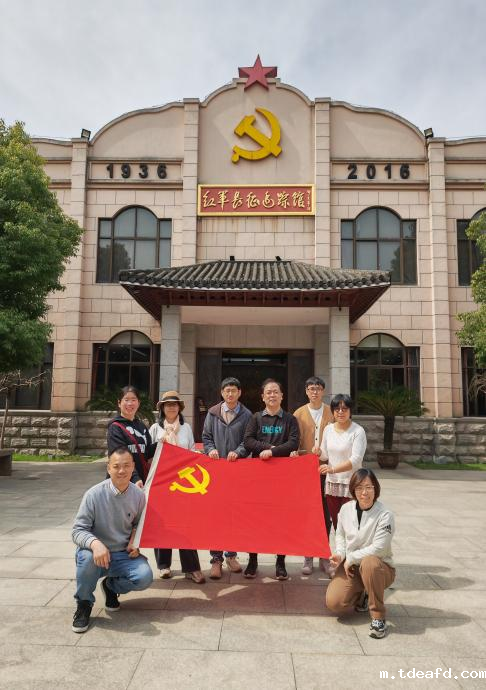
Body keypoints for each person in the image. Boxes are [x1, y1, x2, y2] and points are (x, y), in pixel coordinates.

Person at [71, 447, 153, 633]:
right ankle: (84, 604)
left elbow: (138, 524)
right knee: (86, 558)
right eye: (116, 466)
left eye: (126, 466)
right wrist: (96, 544)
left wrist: (134, 541)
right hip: (96, 554)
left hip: (123, 554)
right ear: (108, 468)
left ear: (133, 467)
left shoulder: (139, 495)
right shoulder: (93, 494)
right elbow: (77, 530)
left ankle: (111, 587)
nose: (122, 471)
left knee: (144, 577)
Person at [326, 468, 395, 639]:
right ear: (353, 490)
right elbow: (340, 535)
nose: (364, 492)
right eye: (359, 488)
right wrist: (340, 554)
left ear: (376, 488)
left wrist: (351, 557)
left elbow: (379, 548)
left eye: (369, 487)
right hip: (352, 567)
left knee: (369, 562)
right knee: (334, 603)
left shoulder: (385, 515)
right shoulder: (345, 509)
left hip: (379, 568)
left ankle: (378, 618)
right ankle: (363, 594)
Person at [243, 378, 300, 580]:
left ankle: (280, 562)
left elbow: (294, 442)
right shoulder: (256, 418)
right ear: (263, 397)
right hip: (258, 477)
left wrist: (273, 452)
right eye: (268, 392)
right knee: (255, 519)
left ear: (282, 396)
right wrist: (269, 448)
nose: (272, 395)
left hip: (282, 478)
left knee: (280, 520)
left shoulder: (290, 420)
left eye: (276, 391)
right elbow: (248, 441)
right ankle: (252, 560)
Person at [148, 390, 205, 584]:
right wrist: (160, 444)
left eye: (174, 404)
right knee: (162, 523)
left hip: (183, 483)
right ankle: (163, 565)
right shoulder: (155, 429)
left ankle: (191, 568)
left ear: (179, 408)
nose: (171, 407)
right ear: (162, 408)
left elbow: (192, 451)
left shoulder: (186, 428)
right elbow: (148, 454)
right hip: (162, 483)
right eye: (168, 404)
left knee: (184, 524)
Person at [202, 376, 252, 579]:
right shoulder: (213, 413)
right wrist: (210, 449)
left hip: (236, 472)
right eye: (226, 390)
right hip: (215, 472)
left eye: (233, 390)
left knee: (233, 515)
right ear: (222, 393)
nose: (230, 394)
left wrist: (238, 452)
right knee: (215, 516)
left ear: (239, 393)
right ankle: (216, 559)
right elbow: (206, 437)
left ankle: (231, 555)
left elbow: (248, 440)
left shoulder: (247, 415)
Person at [316, 394, 366, 576]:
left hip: (350, 484)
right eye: (337, 409)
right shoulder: (328, 429)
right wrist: (318, 451)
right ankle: (341, 561)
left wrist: (332, 469)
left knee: (351, 526)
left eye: (345, 408)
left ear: (351, 411)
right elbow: (324, 455)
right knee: (337, 525)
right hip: (332, 485)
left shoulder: (358, 431)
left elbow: (356, 460)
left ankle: (354, 562)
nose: (340, 412)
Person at [293, 376, 333, 575]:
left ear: (323, 391)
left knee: (326, 514)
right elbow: (294, 440)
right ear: (306, 392)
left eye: (318, 388)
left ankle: (324, 555)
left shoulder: (332, 412)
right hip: (305, 472)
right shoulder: (299, 413)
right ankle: (308, 555)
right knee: (308, 513)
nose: (314, 392)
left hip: (327, 470)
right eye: (311, 388)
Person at [107, 385, 157, 486]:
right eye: (126, 400)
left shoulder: (142, 426)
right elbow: (121, 457)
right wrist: (135, 478)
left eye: (133, 400)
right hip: (123, 481)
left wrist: (160, 444)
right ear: (119, 403)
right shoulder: (115, 427)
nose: (130, 403)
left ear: (138, 403)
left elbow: (146, 452)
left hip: (142, 480)